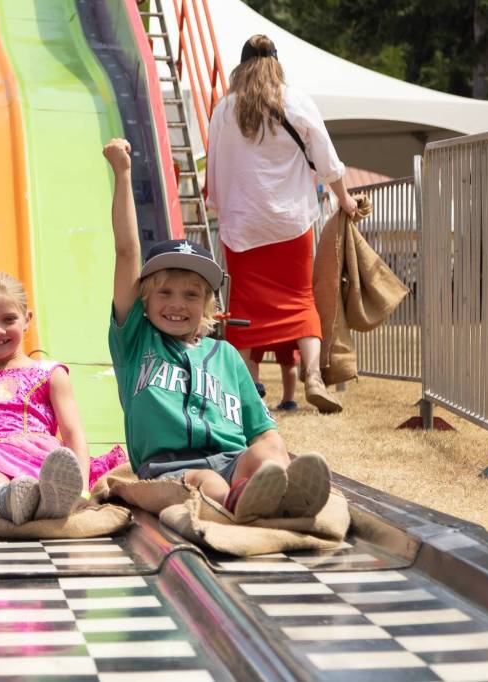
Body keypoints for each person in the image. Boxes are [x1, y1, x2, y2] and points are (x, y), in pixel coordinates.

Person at [103, 138, 330, 521]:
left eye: (192, 294)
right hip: (169, 468)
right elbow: (127, 252)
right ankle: (242, 504)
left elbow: (261, 428)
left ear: (209, 305)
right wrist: (123, 173)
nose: (178, 303)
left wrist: (273, 454)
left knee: (267, 455)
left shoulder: (226, 356)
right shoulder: (135, 341)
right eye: (166, 292)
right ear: (143, 298)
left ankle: (278, 493)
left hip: (231, 458)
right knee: (209, 483)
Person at [205, 34, 357, 414]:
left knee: (243, 307)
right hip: (290, 223)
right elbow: (326, 157)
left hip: (242, 227)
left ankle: (244, 387)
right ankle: (312, 376)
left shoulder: (224, 110)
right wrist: (345, 198)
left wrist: (218, 208)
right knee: (300, 299)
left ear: (241, 67)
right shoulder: (296, 100)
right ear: (276, 64)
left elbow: (214, 166)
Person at [0, 272, 125, 525]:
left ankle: (54, 496)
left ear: (27, 319)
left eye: (9, 319)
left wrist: (81, 487)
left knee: (57, 461)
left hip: (40, 459)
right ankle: (6, 498)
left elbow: (73, 434)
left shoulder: (50, 374)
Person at [251, 342, 300, 411]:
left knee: (251, 355)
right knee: (288, 360)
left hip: (255, 333)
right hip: (284, 333)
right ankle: (288, 401)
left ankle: (255, 386)